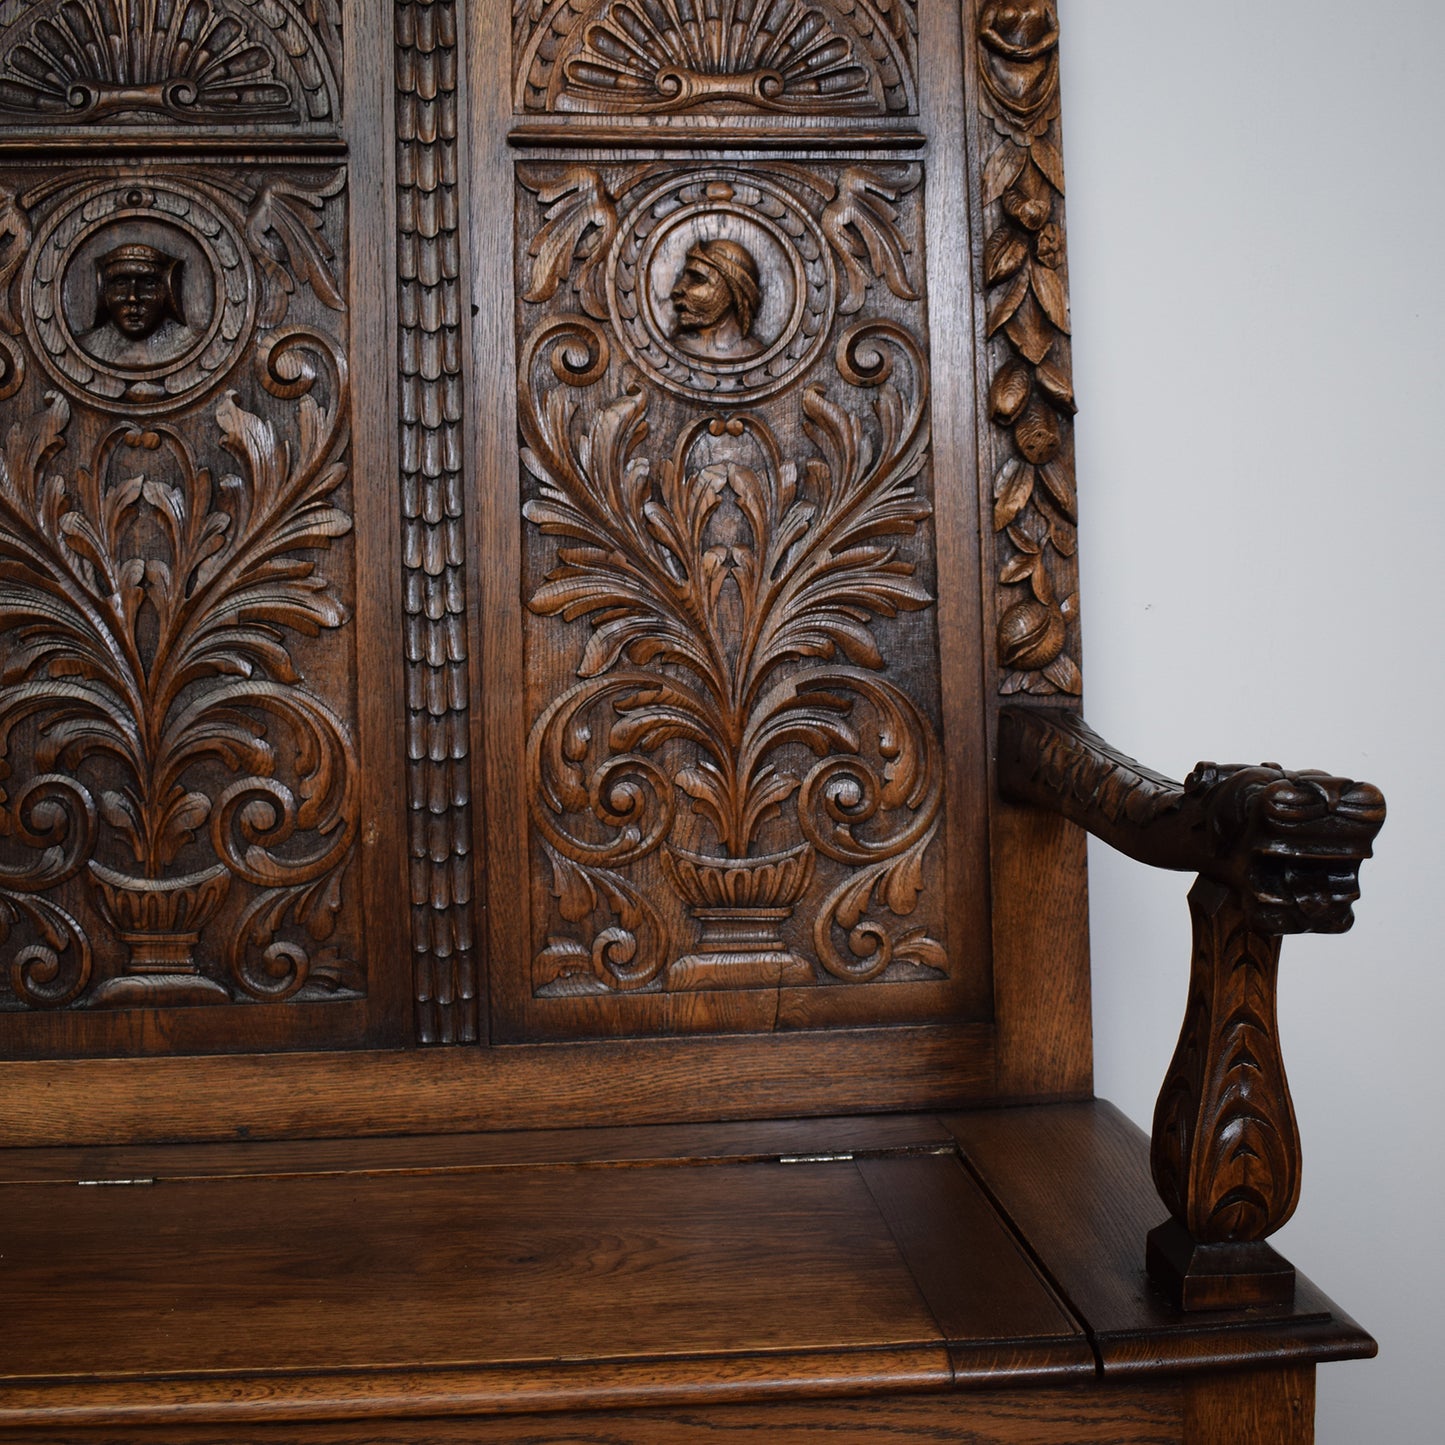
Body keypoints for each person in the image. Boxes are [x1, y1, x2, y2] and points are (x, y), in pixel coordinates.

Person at [79, 242, 197, 368]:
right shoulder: (86, 346)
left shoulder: (191, 344)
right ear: (104, 290)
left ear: (168, 290)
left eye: (148, 283)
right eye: (121, 283)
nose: (132, 297)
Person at [669, 237, 763, 360]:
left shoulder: (759, 355)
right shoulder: (671, 350)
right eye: (684, 278)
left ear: (735, 292)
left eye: (698, 279)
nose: (677, 289)